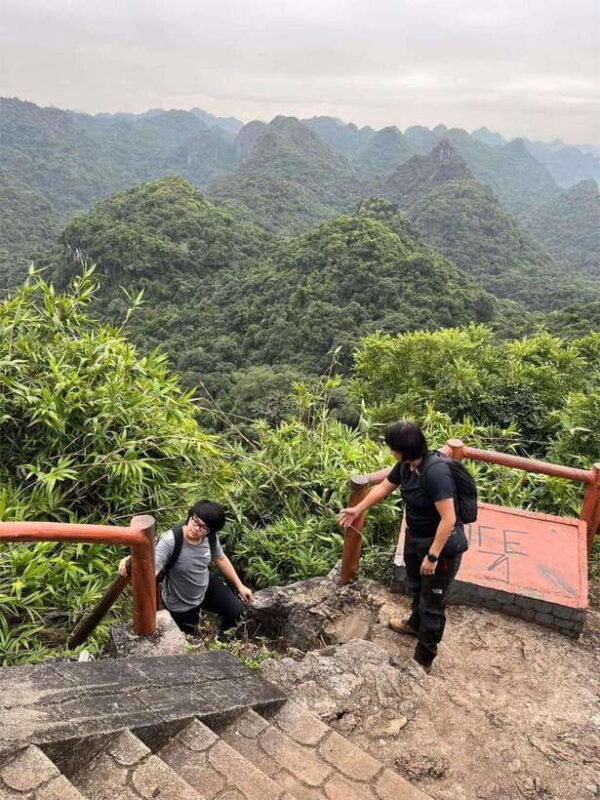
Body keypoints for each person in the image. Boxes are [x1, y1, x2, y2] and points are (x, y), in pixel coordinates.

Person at [339, 421, 465, 671]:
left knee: (433, 602)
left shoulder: (435, 473)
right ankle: (414, 624)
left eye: (392, 447)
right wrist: (357, 509)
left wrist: (433, 556)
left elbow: (449, 518)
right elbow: (384, 487)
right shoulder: (407, 466)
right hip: (416, 537)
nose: (390, 451)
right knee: (417, 587)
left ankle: (423, 659)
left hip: (440, 548)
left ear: (403, 449)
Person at [118, 500, 252, 635]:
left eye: (203, 527)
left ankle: (223, 638)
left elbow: (220, 558)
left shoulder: (209, 538)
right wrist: (132, 562)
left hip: (205, 585)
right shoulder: (171, 540)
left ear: (210, 531)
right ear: (190, 516)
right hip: (180, 600)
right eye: (195, 521)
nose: (196, 528)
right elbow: (151, 570)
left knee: (237, 613)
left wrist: (240, 586)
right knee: (189, 635)